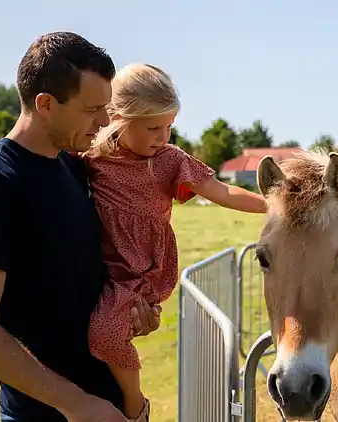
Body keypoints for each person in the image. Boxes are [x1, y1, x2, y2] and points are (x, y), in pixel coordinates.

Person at [0, 32, 162, 422]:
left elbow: (76, 287)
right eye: (92, 109)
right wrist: (75, 404)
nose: (105, 121)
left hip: (110, 410)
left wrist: (133, 314)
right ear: (46, 104)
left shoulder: (72, 167)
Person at [79, 62, 267, 421]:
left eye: (169, 127)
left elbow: (221, 190)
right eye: (152, 127)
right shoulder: (92, 157)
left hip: (140, 268)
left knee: (104, 333)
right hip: (103, 262)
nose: (163, 137)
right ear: (118, 116)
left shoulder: (168, 161)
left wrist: (271, 205)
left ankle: (135, 405)